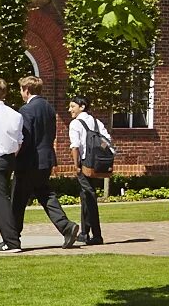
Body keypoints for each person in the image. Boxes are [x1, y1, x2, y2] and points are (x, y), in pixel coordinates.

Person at [16, 76, 81, 248]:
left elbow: (26, 138)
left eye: (21, 90)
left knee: (18, 200)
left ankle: (13, 238)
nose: (21, 93)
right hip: (46, 159)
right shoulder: (49, 108)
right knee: (46, 195)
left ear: (27, 90)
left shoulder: (26, 110)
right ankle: (66, 226)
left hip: (30, 161)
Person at [67, 93, 114, 246]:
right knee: (86, 196)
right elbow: (107, 141)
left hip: (84, 164)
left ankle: (97, 235)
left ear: (82, 107)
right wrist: (97, 152)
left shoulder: (75, 124)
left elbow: (74, 147)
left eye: (73, 106)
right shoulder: (96, 122)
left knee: (90, 197)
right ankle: (84, 233)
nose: (70, 110)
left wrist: (76, 166)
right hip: (96, 164)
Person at [0, 82, 27, 252]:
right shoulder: (16, 115)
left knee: (0, 199)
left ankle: (12, 241)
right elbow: (19, 142)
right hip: (9, 158)